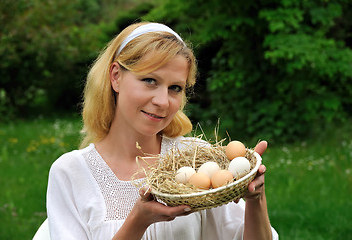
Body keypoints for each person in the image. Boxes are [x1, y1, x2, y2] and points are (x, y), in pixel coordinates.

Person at [46, 22, 279, 240]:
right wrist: (139, 221)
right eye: (150, 80)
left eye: (175, 88)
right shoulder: (71, 173)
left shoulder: (195, 159)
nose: (163, 101)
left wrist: (255, 199)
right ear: (116, 76)